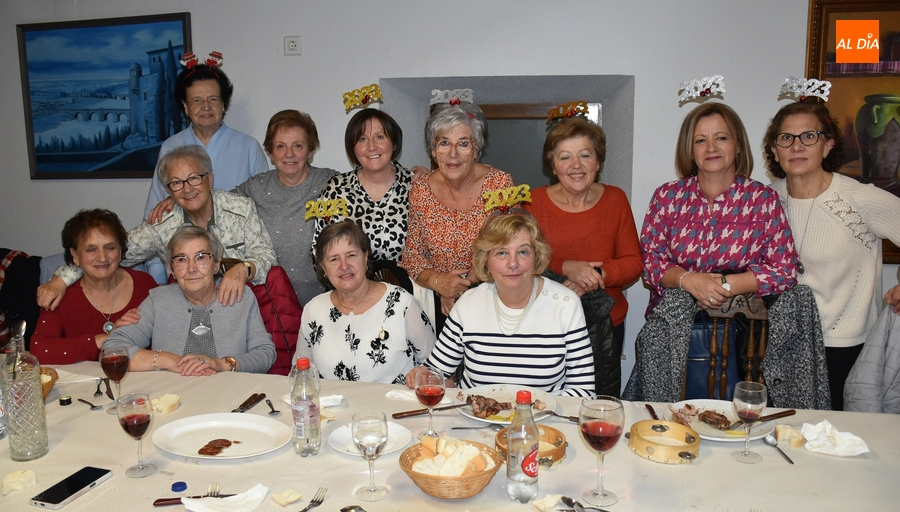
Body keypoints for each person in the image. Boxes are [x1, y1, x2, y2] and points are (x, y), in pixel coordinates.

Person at [765, 101, 900, 410]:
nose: (797, 146)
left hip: (842, 349)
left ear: (827, 145)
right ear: (775, 150)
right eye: (786, 138)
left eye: (809, 136)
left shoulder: (859, 198)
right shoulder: (765, 199)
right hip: (778, 345)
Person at [37, 145, 277, 310]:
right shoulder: (161, 225)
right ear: (168, 191)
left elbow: (266, 255)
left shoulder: (241, 208)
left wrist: (244, 268)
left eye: (194, 178)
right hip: (189, 312)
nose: (187, 188)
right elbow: (110, 254)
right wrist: (60, 280)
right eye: (176, 183)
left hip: (242, 306)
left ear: (209, 179)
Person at [407, 212, 595, 397]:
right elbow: (436, 371)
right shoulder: (468, 304)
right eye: (502, 253)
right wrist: (423, 376)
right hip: (476, 419)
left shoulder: (565, 304)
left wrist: (531, 412)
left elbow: (584, 391)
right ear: (486, 260)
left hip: (541, 423)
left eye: (523, 252)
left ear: (536, 258)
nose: (513, 263)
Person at [641, 102, 798, 315]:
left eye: (721, 138)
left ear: (738, 144)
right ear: (689, 148)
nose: (711, 148)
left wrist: (722, 286)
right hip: (672, 329)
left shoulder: (763, 200)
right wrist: (687, 280)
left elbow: (785, 270)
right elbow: (650, 261)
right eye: (700, 140)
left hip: (743, 334)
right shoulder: (667, 197)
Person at [525, 117, 642, 397]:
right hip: (545, 322)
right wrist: (566, 267)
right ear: (553, 167)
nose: (576, 166)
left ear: (598, 162)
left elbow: (634, 262)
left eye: (585, 155)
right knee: (545, 401)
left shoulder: (616, 199)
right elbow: (522, 259)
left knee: (598, 405)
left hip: (604, 325)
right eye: (565, 157)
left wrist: (594, 277)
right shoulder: (532, 201)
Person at [400, 103, 513, 332]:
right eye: (444, 143)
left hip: (492, 300)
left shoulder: (499, 185)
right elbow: (413, 254)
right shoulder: (421, 189)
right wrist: (440, 284)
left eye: (463, 143)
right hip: (438, 306)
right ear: (433, 150)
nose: (453, 154)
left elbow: (508, 247)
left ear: (477, 148)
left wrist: (462, 286)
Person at [102, 226, 275, 374]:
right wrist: (169, 361)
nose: (191, 269)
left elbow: (265, 353)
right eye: (182, 259)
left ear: (216, 265)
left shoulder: (240, 296)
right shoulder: (158, 300)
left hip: (230, 397)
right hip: (172, 399)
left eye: (201, 257)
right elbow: (112, 349)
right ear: (171, 269)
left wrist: (221, 364)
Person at [294, 221, 435, 383]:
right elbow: (301, 377)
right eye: (333, 259)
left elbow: (439, 371)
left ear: (365, 256)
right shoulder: (313, 310)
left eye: (351, 255)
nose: (344, 266)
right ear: (323, 268)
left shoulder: (403, 304)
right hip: (331, 407)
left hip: (395, 407)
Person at [233, 110, 336, 305]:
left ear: (310, 151)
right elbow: (216, 204)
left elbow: (372, 184)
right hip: (273, 306)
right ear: (271, 153)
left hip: (325, 302)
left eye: (298, 145)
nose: (289, 154)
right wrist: (178, 200)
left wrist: (412, 177)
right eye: (281, 146)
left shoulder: (331, 182)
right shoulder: (256, 187)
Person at [31, 210, 157, 364]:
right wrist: (102, 340)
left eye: (110, 247)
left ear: (120, 251)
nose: (102, 257)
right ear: (75, 256)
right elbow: (39, 349)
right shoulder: (61, 294)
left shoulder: (145, 284)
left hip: (139, 381)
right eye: (91, 249)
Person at [143, 63, 267, 219]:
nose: (206, 107)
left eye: (213, 99)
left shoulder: (248, 146)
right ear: (185, 107)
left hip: (238, 238)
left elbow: (265, 203)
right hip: (184, 238)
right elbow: (156, 206)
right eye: (196, 100)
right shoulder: (171, 146)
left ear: (223, 104)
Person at [312, 109, 413, 292]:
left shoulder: (417, 186)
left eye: (380, 137)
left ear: (395, 143)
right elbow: (319, 249)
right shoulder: (335, 188)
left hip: (411, 294)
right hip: (351, 295)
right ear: (353, 147)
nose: (371, 146)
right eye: (362, 139)